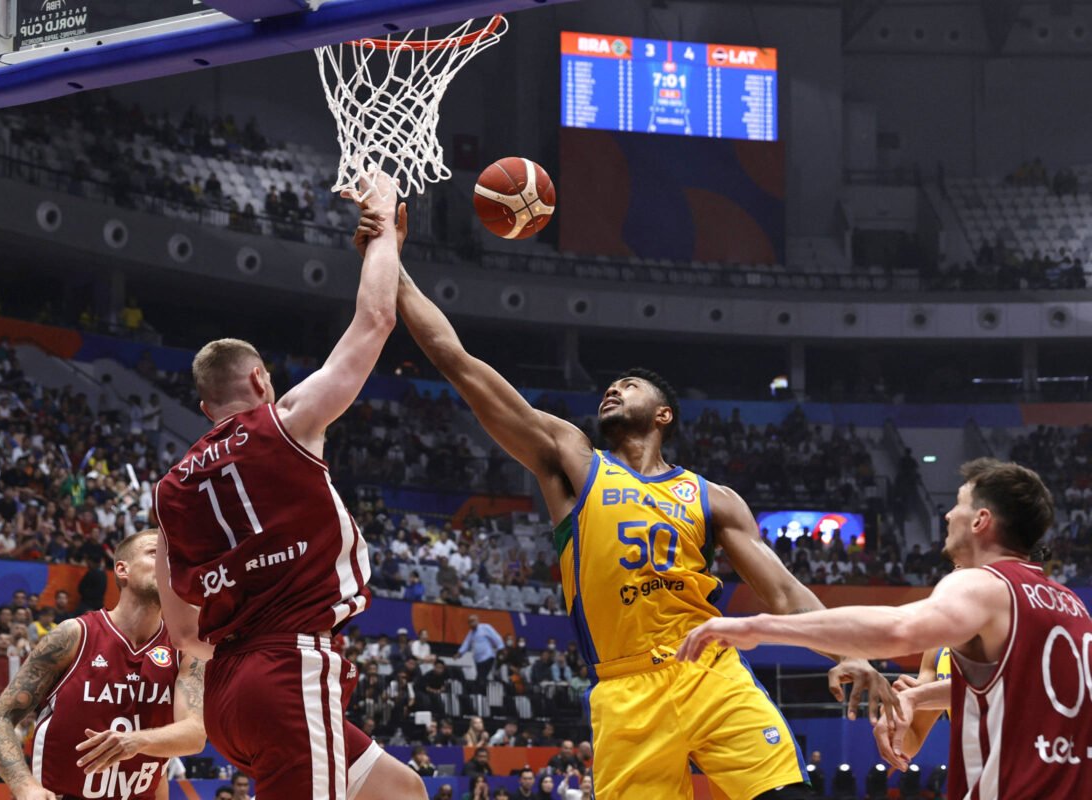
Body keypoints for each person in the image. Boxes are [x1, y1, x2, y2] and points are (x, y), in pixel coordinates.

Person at [357, 208, 893, 800]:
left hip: (709, 671)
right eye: (610, 387)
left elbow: (786, 593)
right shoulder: (573, 461)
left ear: (664, 414)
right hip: (625, 686)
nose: (613, 388)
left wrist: (848, 652)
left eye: (630, 386)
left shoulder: (712, 497)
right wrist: (392, 263)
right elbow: (460, 364)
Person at [154, 172, 425, 800]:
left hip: (227, 694)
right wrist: (384, 229)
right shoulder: (288, 421)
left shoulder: (169, 492)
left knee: (400, 790)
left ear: (203, 407)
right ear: (259, 380)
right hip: (288, 668)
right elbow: (376, 319)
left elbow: (187, 635)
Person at [681, 459, 1092, 798]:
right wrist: (918, 697)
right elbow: (1026, 689)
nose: (948, 514)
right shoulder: (1070, 605)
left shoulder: (984, 585)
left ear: (981, 520)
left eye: (958, 505)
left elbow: (898, 630)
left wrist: (760, 626)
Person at [0, 530, 207, 800]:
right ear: (122, 569)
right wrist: (24, 786)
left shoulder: (184, 650)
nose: (168, 563)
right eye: (155, 554)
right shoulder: (74, 635)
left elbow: (195, 734)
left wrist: (136, 741)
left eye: (172, 558)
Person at [457, 614, 504, 682]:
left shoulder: (485, 627)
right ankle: (481, 692)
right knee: (480, 678)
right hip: (478, 660)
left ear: (477, 621)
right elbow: (466, 643)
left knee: (481, 677)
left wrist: (501, 647)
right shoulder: (471, 633)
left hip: (488, 657)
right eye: (470, 622)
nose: (472, 623)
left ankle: (480, 692)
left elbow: (496, 637)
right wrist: (460, 653)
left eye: (473, 621)